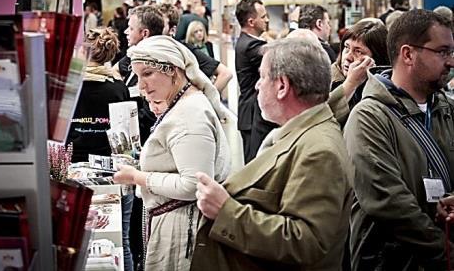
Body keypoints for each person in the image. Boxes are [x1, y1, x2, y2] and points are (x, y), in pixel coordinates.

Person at [190, 38, 353, 271]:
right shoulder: (297, 133)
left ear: (282, 86)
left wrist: (226, 211)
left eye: (263, 76)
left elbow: (306, 241)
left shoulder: (318, 152)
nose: (257, 85)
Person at [344, 9, 454, 270]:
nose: (450, 61)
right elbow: (389, 202)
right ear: (408, 54)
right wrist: (445, 251)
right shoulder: (369, 117)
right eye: (442, 52)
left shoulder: (446, 109)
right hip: (390, 260)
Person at [113, 35, 231, 271]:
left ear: (173, 71)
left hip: (182, 230)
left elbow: (193, 184)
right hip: (178, 223)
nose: (141, 85)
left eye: (147, 74)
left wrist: (138, 177)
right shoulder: (183, 105)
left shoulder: (190, 116)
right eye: (138, 76)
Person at [65, 27, 135, 271]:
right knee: (121, 240)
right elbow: (127, 140)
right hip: (112, 173)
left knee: (70, 240)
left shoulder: (68, 88)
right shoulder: (118, 88)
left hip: (71, 171)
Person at [234, 0, 277, 164]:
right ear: (251, 21)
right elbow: (278, 54)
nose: (267, 20)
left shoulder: (249, 43)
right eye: (263, 16)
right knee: (255, 166)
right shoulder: (250, 46)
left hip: (252, 114)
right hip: (252, 115)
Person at [331, 19, 388, 115]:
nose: (348, 57)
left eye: (358, 51)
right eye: (346, 47)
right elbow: (323, 117)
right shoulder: (327, 80)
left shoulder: (383, 87)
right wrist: (351, 83)